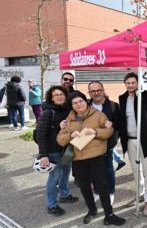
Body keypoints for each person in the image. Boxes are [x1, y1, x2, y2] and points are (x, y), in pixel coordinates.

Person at [57, 91, 125, 226]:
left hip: (96, 158)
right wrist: (70, 135)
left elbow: (109, 132)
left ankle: (109, 214)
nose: (78, 104)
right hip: (77, 159)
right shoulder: (68, 121)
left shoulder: (98, 115)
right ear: (72, 106)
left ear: (86, 101)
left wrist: (96, 132)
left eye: (80, 101)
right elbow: (60, 140)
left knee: (102, 186)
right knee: (84, 187)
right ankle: (92, 210)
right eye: (75, 103)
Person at [118, 72, 147, 214]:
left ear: (138, 83)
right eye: (128, 83)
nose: (130, 85)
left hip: (146, 141)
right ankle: (140, 193)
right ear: (125, 84)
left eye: (133, 82)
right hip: (130, 141)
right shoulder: (122, 98)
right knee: (136, 171)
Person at [36, 85, 78, 216]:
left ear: (65, 96)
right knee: (54, 178)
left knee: (65, 172)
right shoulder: (49, 112)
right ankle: (52, 205)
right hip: (53, 151)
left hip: (67, 149)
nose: (59, 97)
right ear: (51, 98)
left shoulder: (68, 110)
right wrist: (43, 154)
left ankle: (64, 195)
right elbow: (41, 134)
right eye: (56, 95)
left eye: (61, 94)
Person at [88, 81, 122, 205]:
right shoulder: (85, 105)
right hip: (90, 145)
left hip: (107, 144)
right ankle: (96, 191)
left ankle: (110, 192)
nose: (96, 93)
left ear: (103, 91)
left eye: (98, 90)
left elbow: (119, 124)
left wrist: (112, 124)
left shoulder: (113, 105)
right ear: (89, 93)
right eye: (93, 91)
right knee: (93, 170)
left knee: (108, 169)